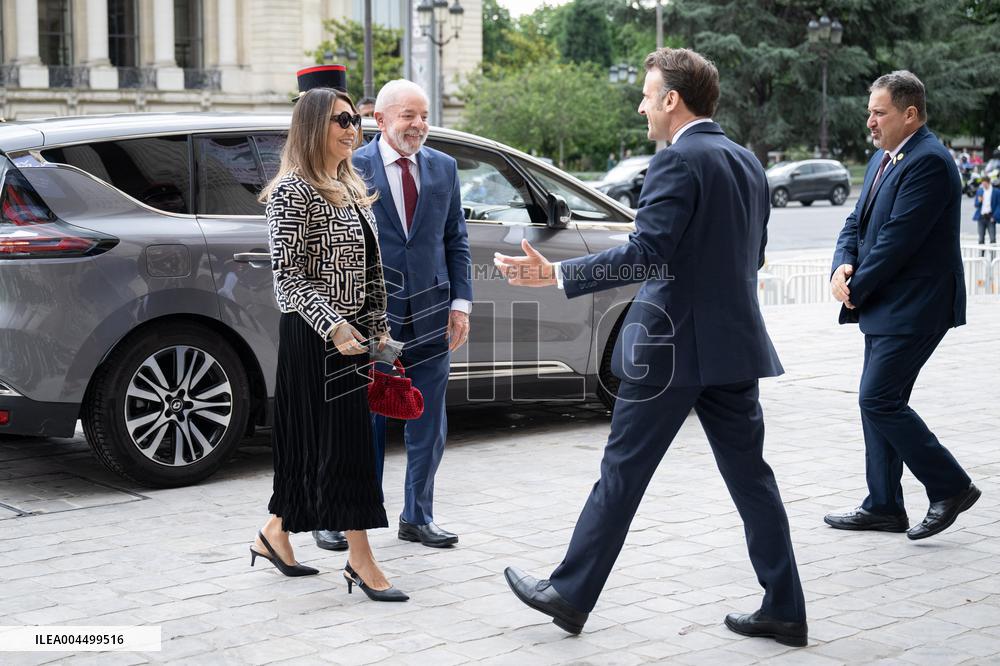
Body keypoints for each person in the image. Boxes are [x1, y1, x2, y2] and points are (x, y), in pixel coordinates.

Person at [493, 48, 807, 647]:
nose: (641, 105)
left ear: (672, 100)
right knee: (752, 479)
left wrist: (558, 276)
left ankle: (570, 591)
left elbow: (647, 253)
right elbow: (753, 257)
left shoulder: (676, 162)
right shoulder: (747, 162)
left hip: (669, 350)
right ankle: (785, 607)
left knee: (622, 470)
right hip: (733, 346)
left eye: (647, 94)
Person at [251, 66, 408, 602]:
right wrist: (335, 325)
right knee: (345, 450)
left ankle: (275, 534)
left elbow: (368, 267)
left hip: (352, 338)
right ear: (314, 125)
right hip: (316, 337)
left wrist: (378, 328)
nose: (353, 129)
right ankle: (360, 560)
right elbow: (288, 278)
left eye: (356, 120)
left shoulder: (345, 183)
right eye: (343, 120)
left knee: (310, 446)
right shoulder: (292, 192)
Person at [315, 79, 473, 551]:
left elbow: (456, 240)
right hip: (367, 318)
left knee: (428, 421)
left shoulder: (444, 167)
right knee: (363, 422)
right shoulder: (348, 166)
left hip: (432, 315)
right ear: (379, 120)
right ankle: (346, 515)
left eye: (423, 115)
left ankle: (418, 516)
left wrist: (460, 305)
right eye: (408, 115)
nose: (419, 125)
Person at [826, 70, 980, 540]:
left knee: (878, 398)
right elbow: (856, 221)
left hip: (917, 305)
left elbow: (898, 242)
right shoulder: (882, 159)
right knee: (880, 402)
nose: (869, 121)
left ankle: (950, 486)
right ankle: (884, 506)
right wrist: (841, 266)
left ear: (909, 114)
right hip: (887, 303)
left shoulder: (930, 161)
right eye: (869, 111)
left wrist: (856, 286)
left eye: (879, 112)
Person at [973, 175, 999, 247]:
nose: (983, 185)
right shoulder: (980, 191)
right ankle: (981, 257)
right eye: (982, 183)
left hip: (991, 217)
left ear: (988, 182)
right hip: (981, 217)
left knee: (992, 239)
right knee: (981, 239)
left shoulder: (996, 192)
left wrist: (994, 216)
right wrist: (979, 201)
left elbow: (998, 205)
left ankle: (992, 258)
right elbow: (976, 204)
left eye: (985, 183)